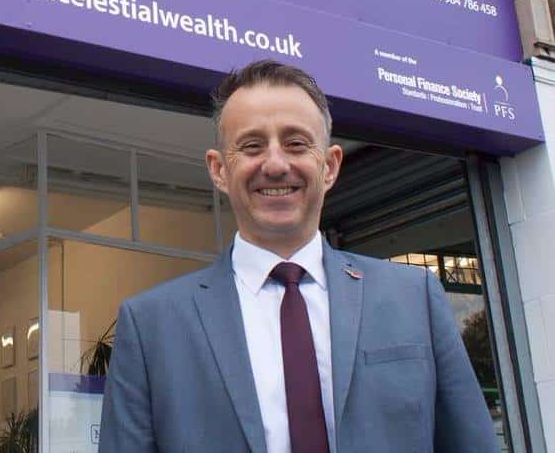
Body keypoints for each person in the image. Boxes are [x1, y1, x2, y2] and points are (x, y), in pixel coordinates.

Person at [98, 60, 497, 452]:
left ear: (329, 165)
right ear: (218, 170)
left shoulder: (415, 297)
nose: (275, 164)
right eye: (252, 146)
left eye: (296, 143)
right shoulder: (151, 325)